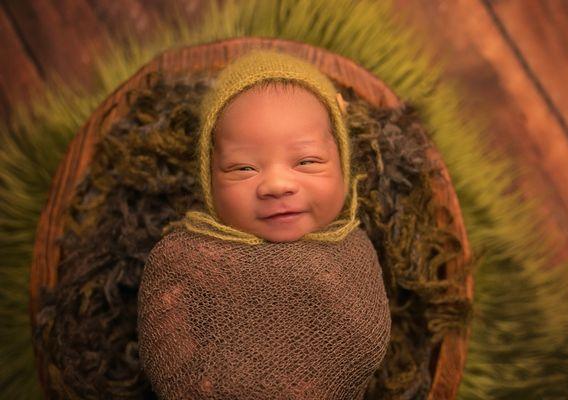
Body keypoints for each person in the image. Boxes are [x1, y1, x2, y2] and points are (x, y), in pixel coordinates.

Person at [137, 50, 391, 399]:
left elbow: (364, 345)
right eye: (244, 168)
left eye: (306, 161)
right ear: (209, 179)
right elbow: (167, 349)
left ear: (343, 163)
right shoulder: (186, 259)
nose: (276, 185)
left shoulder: (355, 255)